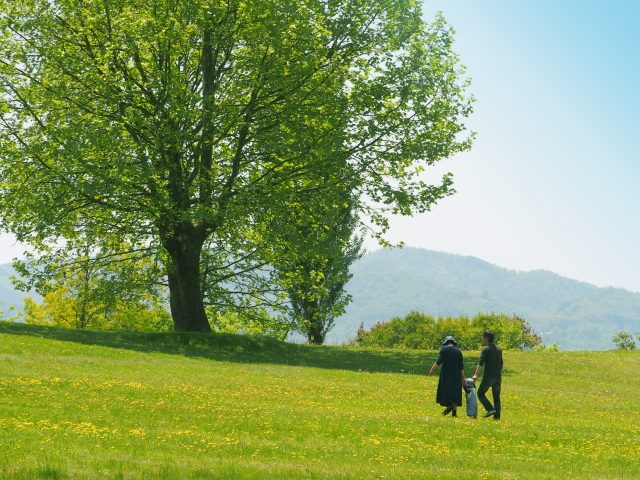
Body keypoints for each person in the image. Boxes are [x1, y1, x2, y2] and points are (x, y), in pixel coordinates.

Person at [429, 335, 466, 417]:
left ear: (446, 343)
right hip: (456, 375)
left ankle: (449, 406)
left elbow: (439, 361)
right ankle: (454, 413)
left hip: (446, 375)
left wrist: (432, 369)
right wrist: (463, 377)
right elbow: (461, 366)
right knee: (455, 394)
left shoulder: (444, 349)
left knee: (444, 393)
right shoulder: (458, 351)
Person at [472, 330, 503, 420]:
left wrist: (475, 375)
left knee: (480, 394)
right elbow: (501, 364)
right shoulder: (498, 349)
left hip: (489, 376)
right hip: (498, 377)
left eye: (483, 338)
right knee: (496, 398)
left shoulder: (486, 349)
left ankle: (490, 409)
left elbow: (481, 363)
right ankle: (497, 417)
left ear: (486, 339)